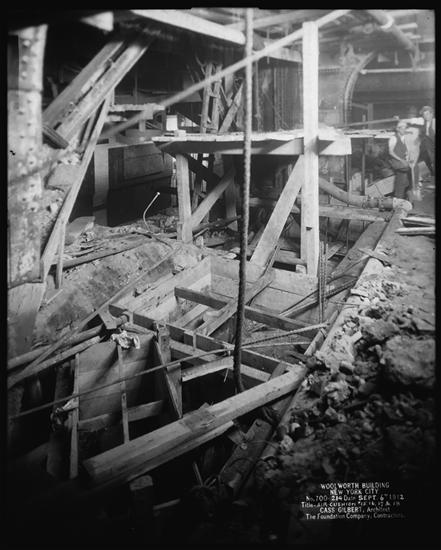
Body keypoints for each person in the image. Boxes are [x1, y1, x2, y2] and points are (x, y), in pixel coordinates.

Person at [388, 120, 412, 200]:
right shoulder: (393, 138)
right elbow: (391, 152)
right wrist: (401, 160)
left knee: (405, 178)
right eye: (403, 128)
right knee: (405, 171)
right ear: (398, 129)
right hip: (396, 161)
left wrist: (408, 156)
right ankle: (399, 196)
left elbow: (406, 150)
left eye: (405, 128)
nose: (404, 130)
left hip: (402, 161)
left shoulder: (404, 138)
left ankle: (403, 193)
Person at [418, 105, 435, 179]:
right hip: (428, 147)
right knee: (429, 159)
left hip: (432, 145)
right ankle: (432, 173)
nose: (425, 116)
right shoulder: (425, 123)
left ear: (432, 114)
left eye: (427, 114)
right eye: (424, 115)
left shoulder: (434, 122)